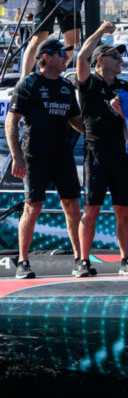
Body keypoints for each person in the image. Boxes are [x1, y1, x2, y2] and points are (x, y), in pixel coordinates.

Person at [6, 39, 85, 279]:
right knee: (33, 206)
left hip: (62, 154)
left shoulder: (66, 86)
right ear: (47, 57)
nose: (65, 58)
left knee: (72, 206)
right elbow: (12, 121)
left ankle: (80, 259)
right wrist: (16, 157)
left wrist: (98, 134)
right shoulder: (29, 83)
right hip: (34, 156)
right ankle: (23, 262)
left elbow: (75, 119)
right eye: (61, 53)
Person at [76, 22, 128, 276]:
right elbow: (81, 56)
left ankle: (125, 260)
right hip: (96, 154)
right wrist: (101, 29)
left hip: (120, 156)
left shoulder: (126, 88)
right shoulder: (89, 83)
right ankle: (82, 261)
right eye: (116, 56)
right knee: (91, 210)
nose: (120, 60)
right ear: (101, 60)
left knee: (123, 209)